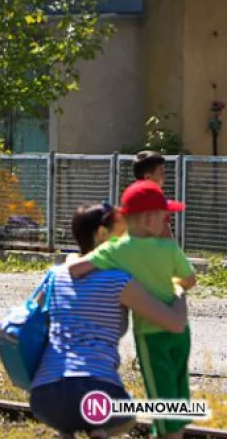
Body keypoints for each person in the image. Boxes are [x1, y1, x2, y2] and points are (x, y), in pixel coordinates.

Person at [30, 202, 188, 438]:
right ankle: (98, 429)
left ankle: (77, 430)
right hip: (98, 388)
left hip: (45, 394)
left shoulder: (55, 275)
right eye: (121, 231)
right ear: (103, 235)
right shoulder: (118, 280)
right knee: (126, 415)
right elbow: (174, 323)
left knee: (73, 414)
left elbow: (31, 314)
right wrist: (179, 289)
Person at [69, 181, 197, 438]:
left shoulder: (117, 250)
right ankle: (176, 431)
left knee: (160, 390)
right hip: (181, 333)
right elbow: (190, 279)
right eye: (165, 216)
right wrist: (174, 286)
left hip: (151, 334)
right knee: (179, 383)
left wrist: (73, 261)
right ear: (150, 218)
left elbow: (76, 269)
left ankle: (166, 433)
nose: (167, 221)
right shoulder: (169, 247)